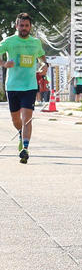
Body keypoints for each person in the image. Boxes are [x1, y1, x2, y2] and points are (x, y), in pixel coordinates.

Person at [0, 12, 48, 163]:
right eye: (21, 25)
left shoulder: (35, 42)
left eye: (27, 25)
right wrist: (4, 63)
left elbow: (42, 57)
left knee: (27, 119)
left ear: (30, 27)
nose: (24, 28)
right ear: (16, 26)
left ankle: (25, 149)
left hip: (29, 86)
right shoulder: (9, 41)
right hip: (12, 86)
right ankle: (21, 133)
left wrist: (44, 65)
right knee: (16, 119)